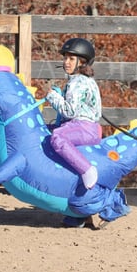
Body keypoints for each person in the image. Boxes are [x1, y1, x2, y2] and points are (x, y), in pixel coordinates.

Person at [46, 37, 102, 190]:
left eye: (71, 59)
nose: (66, 62)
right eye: (65, 58)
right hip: (88, 127)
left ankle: (87, 170)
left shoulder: (77, 81)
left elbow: (70, 111)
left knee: (57, 137)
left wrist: (53, 97)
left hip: (83, 128)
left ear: (82, 62)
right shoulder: (85, 80)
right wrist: (61, 96)